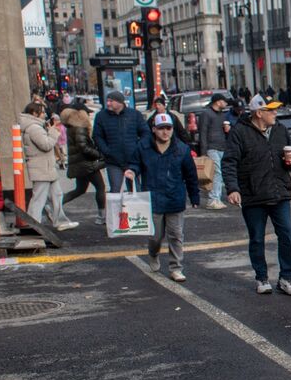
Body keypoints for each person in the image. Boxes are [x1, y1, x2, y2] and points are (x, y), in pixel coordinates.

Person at [222, 100, 291, 296]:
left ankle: (286, 278)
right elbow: (229, 162)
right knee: (257, 238)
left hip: (279, 192)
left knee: (286, 235)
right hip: (253, 195)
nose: (275, 113)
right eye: (271, 110)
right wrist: (233, 188)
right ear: (259, 112)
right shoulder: (239, 132)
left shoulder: (280, 130)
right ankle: (261, 278)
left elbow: (289, 157)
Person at [124, 113, 200, 283]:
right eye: (161, 128)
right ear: (154, 129)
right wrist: (132, 171)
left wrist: (194, 197)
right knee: (155, 236)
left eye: (169, 128)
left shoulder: (182, 149)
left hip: (175, 198)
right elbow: (135, 163)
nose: (165, 132)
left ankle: (176, 268)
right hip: (153, 199)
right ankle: (153, 253)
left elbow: (190, 174)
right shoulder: (143, 147)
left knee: (176, 235)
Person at [21, 102, 78, 231]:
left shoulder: (35, 126)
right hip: (41, 168)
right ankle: (33, 224)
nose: (44, 114)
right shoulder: (34, 128)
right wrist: (53, 132)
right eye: (42, 112)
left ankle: (60, 221)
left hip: (46, 167)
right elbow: (46, 145)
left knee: (57, 195)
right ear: (34, 113)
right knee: (39, 197)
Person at [61, 98, 107, 226]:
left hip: (79, 164)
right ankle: (101, 216)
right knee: (100, 187)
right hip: (86, 164)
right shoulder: (79, 128)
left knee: (80, 189)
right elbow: (83, 147)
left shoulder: (71, 127)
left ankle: (56, 205)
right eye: (87, 113)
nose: (88, 115)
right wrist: (98, 154)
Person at [93, 90, 149, 192]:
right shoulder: (101, 116)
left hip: (133, 160)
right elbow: (97, 136)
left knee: (135, 189)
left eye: (111, 101)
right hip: (113, 160)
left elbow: (145, 133)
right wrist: (107, 151)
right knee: (116, 190)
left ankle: (135, 208)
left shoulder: (134, 115)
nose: (108, 103)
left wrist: (138, 148)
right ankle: (117, 209)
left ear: (120, 102)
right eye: (108, 101)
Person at [197, 92, 231, 209]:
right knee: (217, 173)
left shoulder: (222, 115)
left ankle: (216, 198)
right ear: (218, 101)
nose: (226, 103)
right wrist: (203, 151)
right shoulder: (206, 114)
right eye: (224, 101)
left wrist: (227, 130)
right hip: (211, 147)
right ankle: (213, 200)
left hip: (221, 146)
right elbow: (203, 132)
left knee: (219, 173)